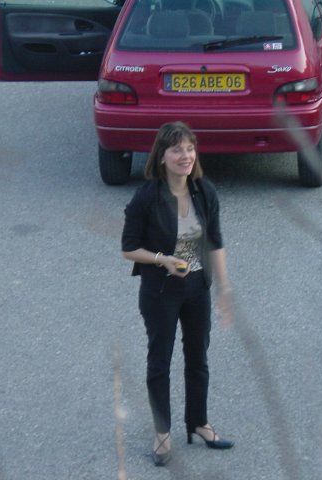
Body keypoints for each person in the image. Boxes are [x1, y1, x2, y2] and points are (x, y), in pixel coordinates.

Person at [121, 121, 234, 466]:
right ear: (162, 155)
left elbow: (214, 242)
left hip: (197, 287)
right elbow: (128, 249)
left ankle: (198, 423)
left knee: (198, 358)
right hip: (160, 291)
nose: (185, 156)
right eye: (176, 150)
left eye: (189, 148)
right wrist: (162, 260)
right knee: (160, 361)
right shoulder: (146, 197)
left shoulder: (204, 191)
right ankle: (162, 433)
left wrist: (224, 287)